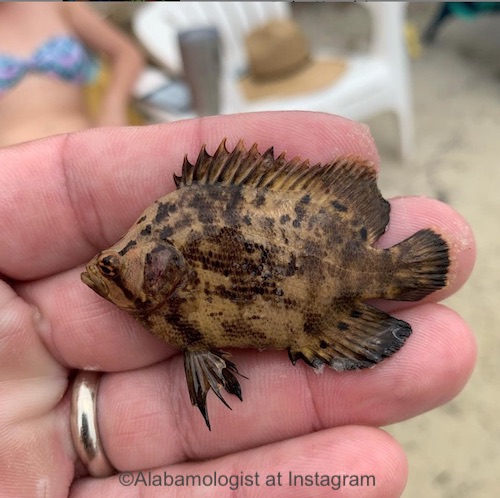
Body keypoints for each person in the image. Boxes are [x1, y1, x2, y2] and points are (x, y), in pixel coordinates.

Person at [0, 112, 476, 497]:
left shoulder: (169, 233)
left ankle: (396, 273)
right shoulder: (165, 228)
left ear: (163, 271)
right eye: (111, 267)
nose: (101, 274)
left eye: (111, 268)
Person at [0, 2, 143, 148]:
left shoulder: (57, 5)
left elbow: (127, 54)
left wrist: (112, 109)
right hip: (14, 161)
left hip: (87, 144)